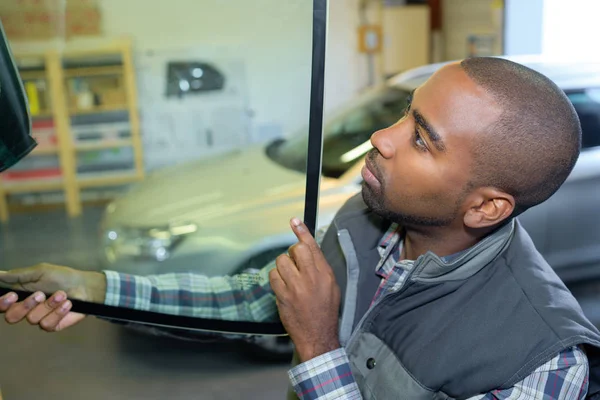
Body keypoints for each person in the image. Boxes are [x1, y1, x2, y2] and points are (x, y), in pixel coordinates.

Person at [2, 57, 600, 400]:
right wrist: (97, 290)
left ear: (486, 207)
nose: (382, 138)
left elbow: (308, 332)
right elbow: (253, 298)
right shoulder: (367, 217)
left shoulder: (544, 363)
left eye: (422, 139)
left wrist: (317, 347)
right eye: (404, 113)